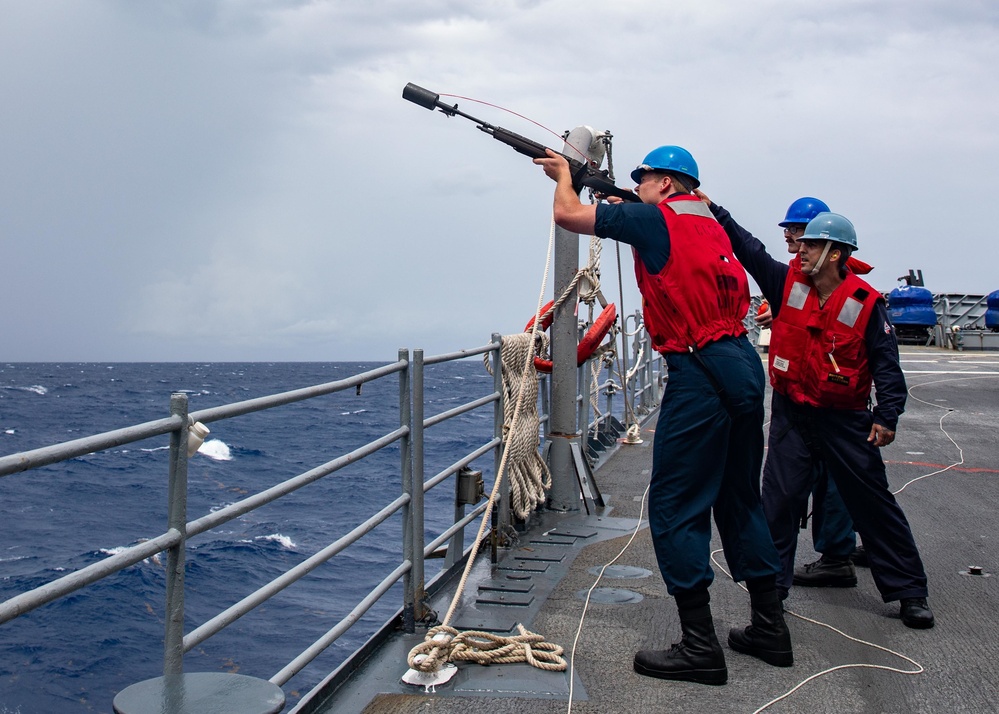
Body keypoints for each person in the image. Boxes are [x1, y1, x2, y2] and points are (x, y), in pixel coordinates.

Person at [534, 145, 792, 686]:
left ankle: (699, 645)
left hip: (700, 372)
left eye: (645, 179)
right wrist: (624, 198)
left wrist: (564, 178)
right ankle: (770, 628)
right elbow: (662, 228)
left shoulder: (655, 218)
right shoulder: (711, 226)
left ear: (668, 185)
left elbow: (567, 216)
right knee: (740, 497)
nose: (641, 186)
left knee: (676, 506)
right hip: (743, 365)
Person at [698, 198, 935, 629]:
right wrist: (712, 208)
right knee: (778, 503)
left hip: (845, 420)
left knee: (873, 503)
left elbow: (886, 366)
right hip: (793, 414)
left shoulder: (866, 304)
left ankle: (909, 592)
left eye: (811, 244)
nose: (800, 249)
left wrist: (887, 417)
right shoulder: (785, 284)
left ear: (837, 253)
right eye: (801, 242)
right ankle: (771, 594)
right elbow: (747, 247)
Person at [764, 198, 862, 590]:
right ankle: (838, 550)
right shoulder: (799, 276)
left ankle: (837, 556)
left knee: (833, 479)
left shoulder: (842, 287)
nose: (790, 236)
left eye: (798, 230)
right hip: (802, 393)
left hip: (829, 398)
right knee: (825, 479)